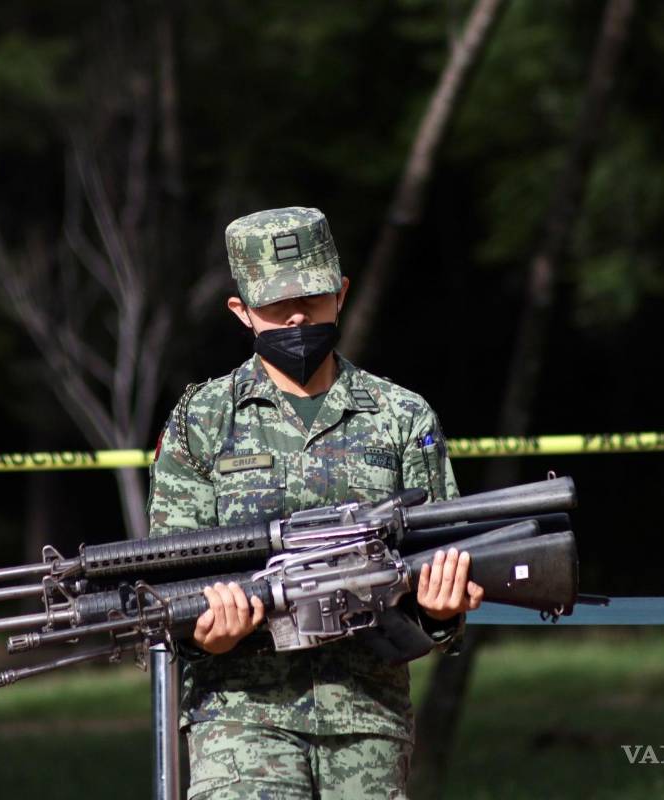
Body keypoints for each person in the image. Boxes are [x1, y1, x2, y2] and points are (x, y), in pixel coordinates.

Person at [148, 207, 484, 798]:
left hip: (367, 724)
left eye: (312, 296)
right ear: (242, 311)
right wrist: (207, 632)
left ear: (341, 293)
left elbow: (444, 569)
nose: (297, 315)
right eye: (276, 306)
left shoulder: (403, 417)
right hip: (239, 719)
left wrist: (439, 611)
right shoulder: (200, 421)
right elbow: (170, 574)